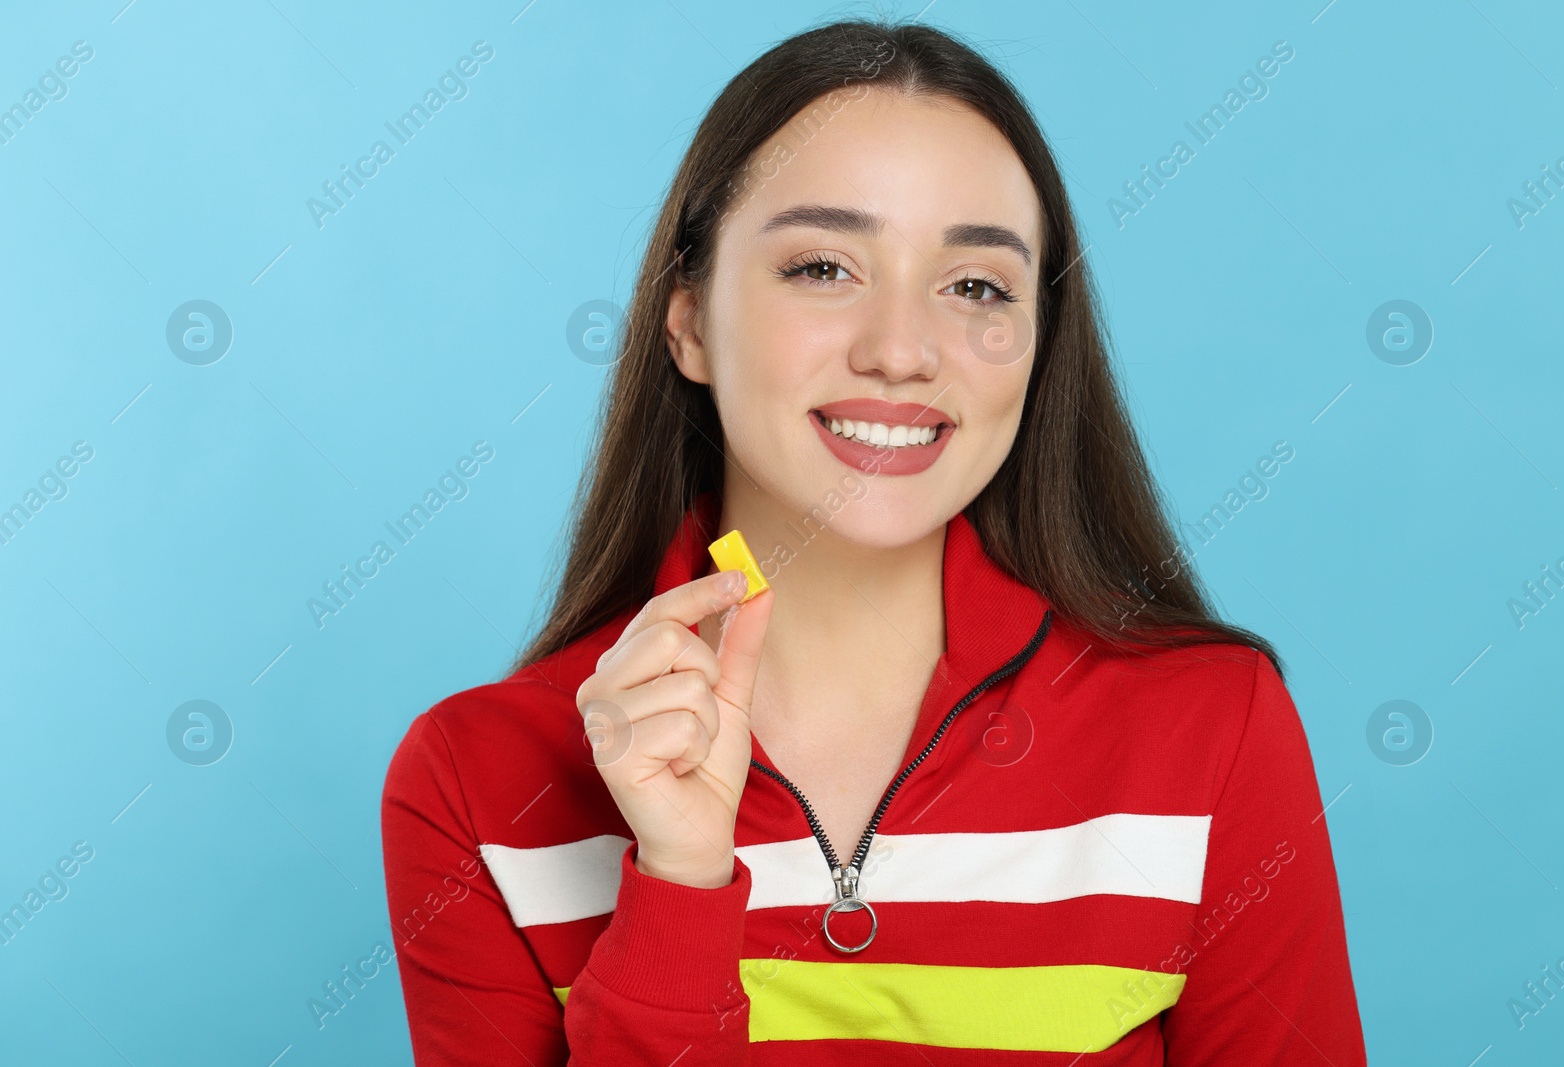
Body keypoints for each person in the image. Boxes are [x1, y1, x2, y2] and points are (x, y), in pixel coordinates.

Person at [380, 17, 1366, 1065]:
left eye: (976, 284)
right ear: (690, 322)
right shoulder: (475, 784)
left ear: (1038, 343)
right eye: (821, 267)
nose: (900, 351)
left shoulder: (1211, 729)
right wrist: (678, 884)